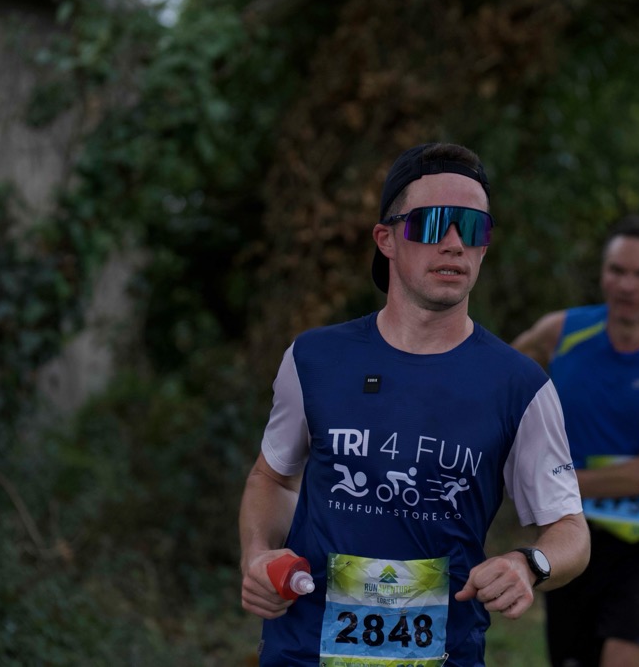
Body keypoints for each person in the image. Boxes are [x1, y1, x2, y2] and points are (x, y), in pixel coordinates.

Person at [238, 142, 589, 666]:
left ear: (485, 247)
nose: (454, 244)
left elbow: (570, 531)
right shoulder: (314, 358)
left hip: (443, 655)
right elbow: (273, 478)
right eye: (432, 224)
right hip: (303, 652)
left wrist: (528, 563)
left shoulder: (519, 384)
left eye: (472, 228)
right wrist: (257, 555)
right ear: (386, 239)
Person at [513, 215, 639, 667]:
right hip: (568, 535)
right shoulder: (561, 332)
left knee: (623, 657)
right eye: (617, 270)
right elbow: (495, 388)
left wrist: (547, 480)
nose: (627, 285)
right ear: (603, 275)